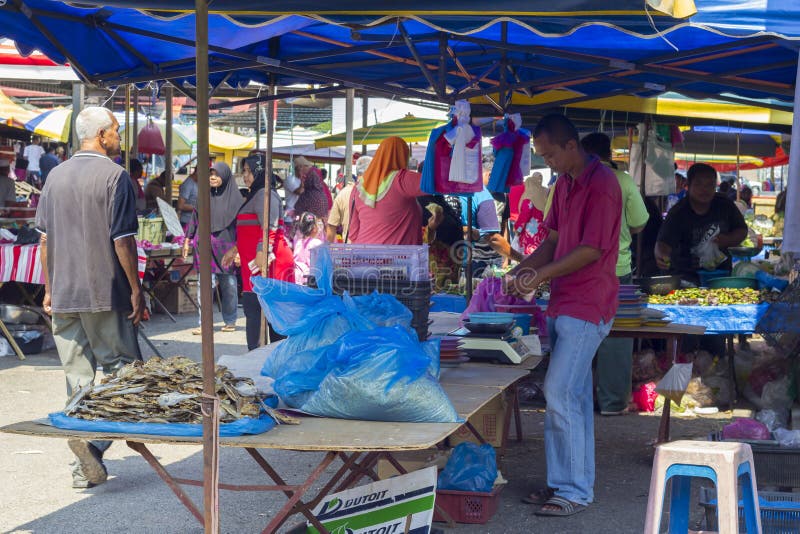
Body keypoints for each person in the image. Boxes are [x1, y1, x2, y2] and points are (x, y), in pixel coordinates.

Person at [504, 114, 621, 516]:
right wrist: (520, 271)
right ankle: (565, 483)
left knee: (558, 393)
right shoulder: (565, 183)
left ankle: (572, 490)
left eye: (550, 154)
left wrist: (538, 275)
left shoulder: (602, 185)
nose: (547, 162)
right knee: (569, 396)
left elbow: (591, 250)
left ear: (572, 146)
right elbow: (552, 240)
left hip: (589, 304)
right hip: (565, 302)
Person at [35, 106, 145, 489]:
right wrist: (135, 288)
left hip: (65, 294)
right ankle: (94, 445)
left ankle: (83, 467)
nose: (120, 137)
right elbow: (122, 241)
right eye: (116, 130)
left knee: (78, 381)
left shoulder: (54, 176)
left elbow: (44, 241)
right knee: (125, 376)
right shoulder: (116, 176)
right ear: (101, 135)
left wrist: (50, 289)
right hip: (104, 292)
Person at [581, 132, 650, 416]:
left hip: (577, 271)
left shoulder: (568, 181)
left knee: (579, 333)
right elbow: (639, 222)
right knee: (616, 337)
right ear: (609, 153)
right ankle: (612, 402)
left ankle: (579, 401)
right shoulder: (622, 181)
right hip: (617, 269)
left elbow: (552, 228)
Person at [222, 155, 293, 350]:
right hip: (254, 264)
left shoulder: (264, 194)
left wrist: (261, 254)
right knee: (255, 313)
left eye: (248, 170)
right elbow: (250, 228)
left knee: (267, 316)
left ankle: (267, 361)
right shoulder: (256, 193)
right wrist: (235, 248)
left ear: (259, 170)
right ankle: (259, 358)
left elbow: (269, 226)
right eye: (243, 170)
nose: (244, 175)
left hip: (269, 263)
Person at [655, 163, 748, 284]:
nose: (704, 189)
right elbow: (663, 243)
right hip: (685, 279)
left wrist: (728, 239)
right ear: (688, 185)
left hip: (720, 276)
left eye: (710, 185)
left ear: (715, 185)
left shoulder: (725, 204)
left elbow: (742, 230)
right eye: (698, 184)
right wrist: (662, 256)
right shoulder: (678, 212)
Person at [190, 162, 242, 335]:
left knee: (229, 285)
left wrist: (238, 250)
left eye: (216, 174)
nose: (212, 177)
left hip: (226, 248)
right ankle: (204, 323)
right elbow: (195, 219)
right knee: (204, 285)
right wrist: (188, 239)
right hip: (205, 246)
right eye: (211, 173)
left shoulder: (237, 200)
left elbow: (240, 228)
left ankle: (230, 320)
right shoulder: (203, 196)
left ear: (225, 176)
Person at [349, 136, 425, 245]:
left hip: (363, 257)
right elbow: (435, 183)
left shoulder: (358, 188)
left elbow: (353, 233)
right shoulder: (402, 180)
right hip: (397, 260)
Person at [326, 155, 372, 243]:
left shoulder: (343, 193)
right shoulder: (377, 195)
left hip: (349, 250)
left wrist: (328, 252)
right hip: (370, 250)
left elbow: (331, 226)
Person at [293, 212, 324, 283]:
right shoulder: (317, 243)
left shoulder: (298, 242)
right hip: (311, 280)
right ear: (314, 228)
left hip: (297, 279)